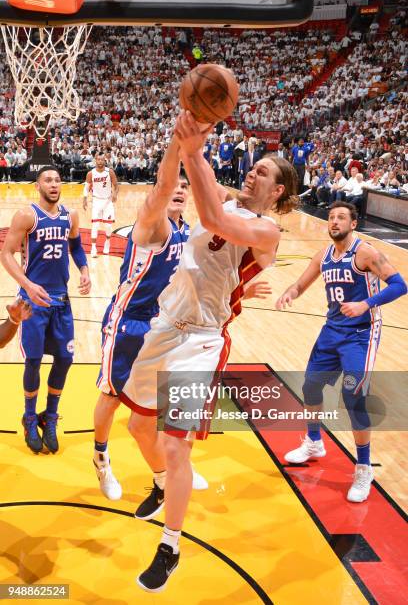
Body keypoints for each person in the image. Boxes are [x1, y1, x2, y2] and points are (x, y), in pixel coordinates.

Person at [121, 110, 298, 592]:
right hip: (163, 328)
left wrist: (196, 148)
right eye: (254, 165)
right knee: (138, 426)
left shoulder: (268, 233)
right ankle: (159, 485)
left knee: (176, 444)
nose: (253, 171)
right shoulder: (217, 190)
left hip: (201, 340)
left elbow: (213, 218)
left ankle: (170, 546)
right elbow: (173, 185)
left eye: (264, 170)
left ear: (278, 190)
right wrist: (179, 144)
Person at [93, 136, 205, 499]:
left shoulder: (187, 232)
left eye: (184, 187)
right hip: (128, 319)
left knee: (164, 397)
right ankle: (101, 460)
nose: (179, 190)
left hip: (162, 322)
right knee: (111, 396)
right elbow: (161, 186)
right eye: (174, 185)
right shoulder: (155, 225)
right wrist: (178, 144)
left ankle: (173, 463)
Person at [276, 201, 407, 503]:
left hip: (360, 335)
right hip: (331, 331)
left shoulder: (366, 253)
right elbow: (302, 283)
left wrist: (366, 304)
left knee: (354, 396)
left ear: (354, 224)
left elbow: (400, 285)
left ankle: (363, 467)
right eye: (332, 217)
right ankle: (313, 442)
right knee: (310, 385)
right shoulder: (323, 255)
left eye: (341, 218)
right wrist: (290, 292)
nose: (334, 222)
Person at [0, 166, 91, 454]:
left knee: (64, 358)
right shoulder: (27, 215)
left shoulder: (70, 215)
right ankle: (29, 417)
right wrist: (27, 285)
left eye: (57, 180)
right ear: (38, 185)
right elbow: (6, 254)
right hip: (33, 302)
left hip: (61, 300)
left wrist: (85, 269)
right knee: (34, 361)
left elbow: (76, 246)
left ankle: (49, 416)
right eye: (48, 180)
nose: (54, 184)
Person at [83, 153, 119, 258]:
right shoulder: (91, 173)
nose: (100, 161)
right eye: (98, 160)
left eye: (102, 160)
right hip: (96, 201)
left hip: (108, 201)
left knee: (108, 226)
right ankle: (93, 248)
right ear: (95, 161)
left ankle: (107, 243)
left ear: (105, 161)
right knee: (95, 225)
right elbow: (86, 187)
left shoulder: (110, 172)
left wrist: (115, 194)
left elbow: (116, 186)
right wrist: (84, 199)